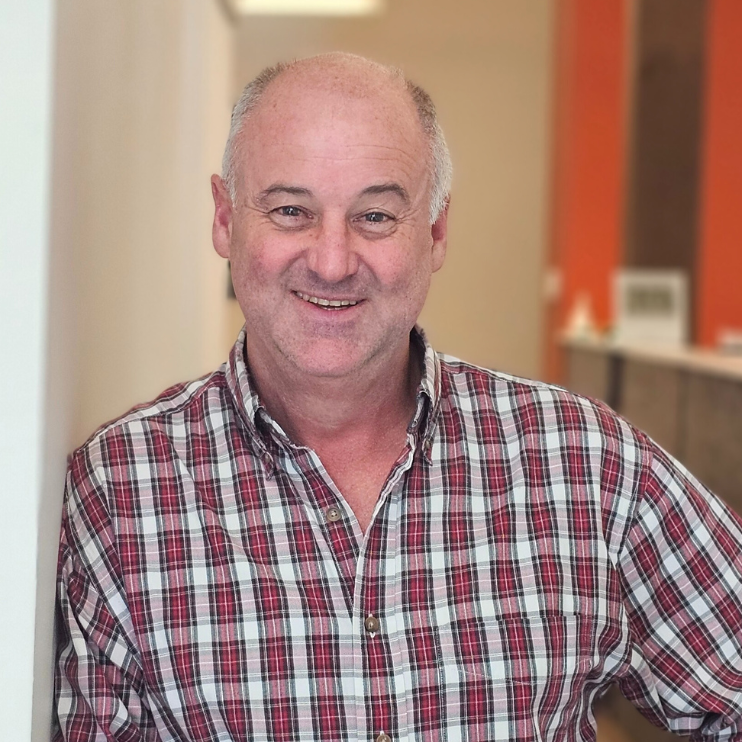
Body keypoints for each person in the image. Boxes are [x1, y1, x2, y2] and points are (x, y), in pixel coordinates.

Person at [54, 53, 742, 742]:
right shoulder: (118, 493)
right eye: (291, 211)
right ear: (227, 219)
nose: (332, 261)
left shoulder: (585, 462)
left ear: (436, 232)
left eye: (376, 216)